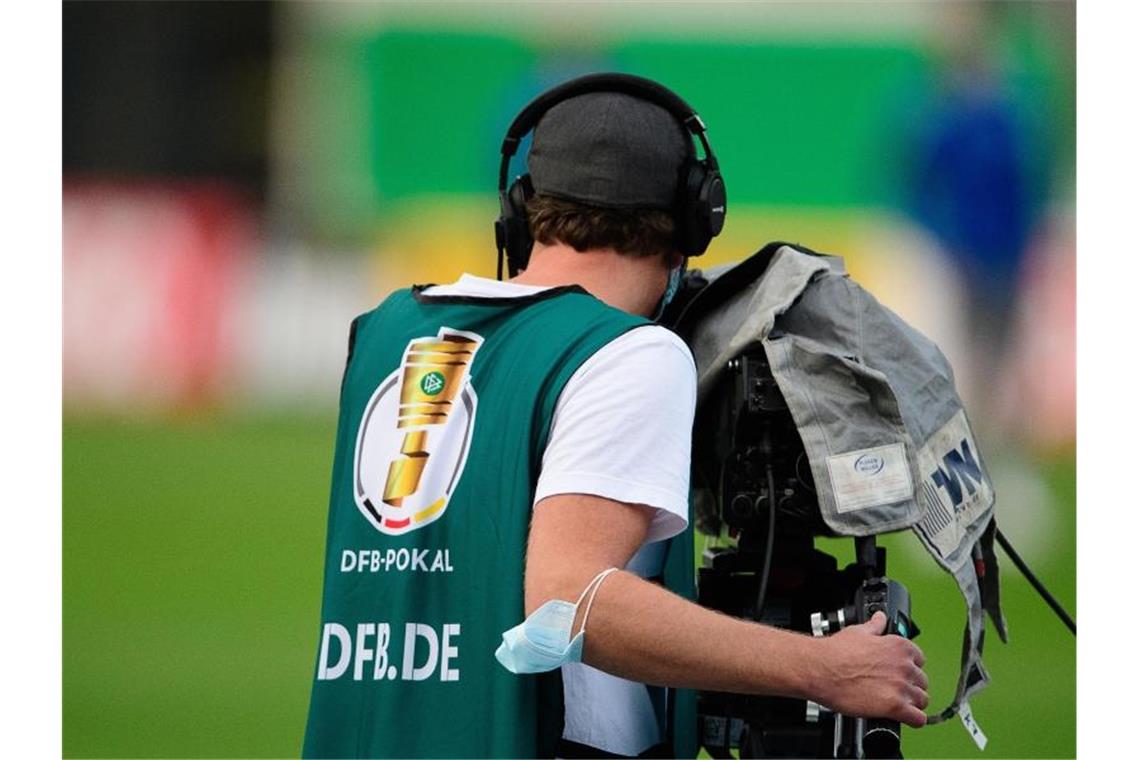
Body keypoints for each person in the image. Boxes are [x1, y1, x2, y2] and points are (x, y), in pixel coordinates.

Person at [302, 74, 928, 759]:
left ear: (522, 208)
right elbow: (566, 600)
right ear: (695, 219)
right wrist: (826, 669)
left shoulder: (385, 333)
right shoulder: (630, 353)